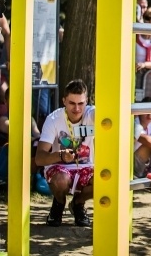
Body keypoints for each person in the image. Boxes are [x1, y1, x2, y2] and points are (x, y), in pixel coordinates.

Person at [36, 80, 95, 227]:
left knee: (105, 180)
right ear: (64, 101)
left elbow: (110, 112)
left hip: (87, 166)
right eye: (72, 103)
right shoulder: (53, 119)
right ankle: (59, 203)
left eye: (81, 103)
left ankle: (78, 204)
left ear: (86, 101)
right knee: (61, 180)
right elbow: (39, 158)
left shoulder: (93, 114)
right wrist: (61, 155)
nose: (76, 108)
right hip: (60, 167)